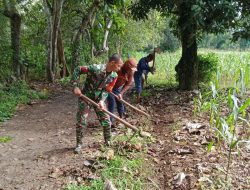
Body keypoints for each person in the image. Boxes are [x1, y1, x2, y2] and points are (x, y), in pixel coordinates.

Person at [71, 54, 123, 154]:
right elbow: (78, 69)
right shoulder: (95, 68)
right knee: (82, 121)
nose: (119, 68)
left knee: (106, 121)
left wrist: (102, 101)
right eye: (119, 66)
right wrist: (75, 86)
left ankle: (108, 143)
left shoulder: (114, 76)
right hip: (85, 97)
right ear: (112, 63)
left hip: (98, 98)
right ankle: (79, 144)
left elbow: (107, 90)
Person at [107, 58, 137, 127]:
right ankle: (110, 123)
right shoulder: (118, 68)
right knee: (112, 103)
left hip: (118, 88)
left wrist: (121, 93)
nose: (131, 71)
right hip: (109, 87)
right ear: (127, 66)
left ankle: (121, 118)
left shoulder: (131, 72)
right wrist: (108, 88)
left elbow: (128, 84)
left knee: (120, 102)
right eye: (130, 69)